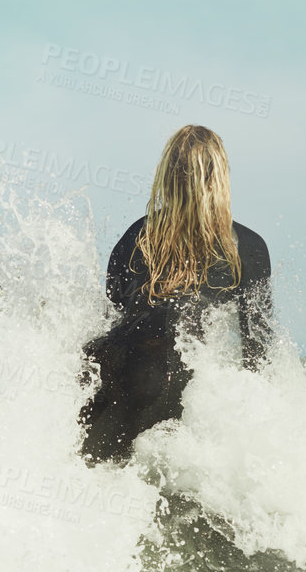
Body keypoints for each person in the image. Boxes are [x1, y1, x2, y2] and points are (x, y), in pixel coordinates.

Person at [79, 125, 273, 463]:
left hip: (124, 393)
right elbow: (257, 354)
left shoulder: (137, 238)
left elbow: (108, 323)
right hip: (186, 406)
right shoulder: (248, 249)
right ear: (221, 177)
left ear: (167, 175)